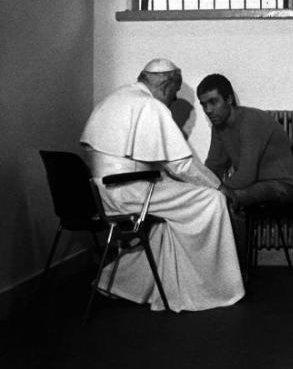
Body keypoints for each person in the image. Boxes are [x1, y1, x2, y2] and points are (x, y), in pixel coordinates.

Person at [80, 59, 245, 312]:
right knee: (211, 200)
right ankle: (214, 290)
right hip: (125, 190)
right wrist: (218, 186)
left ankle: (119, 282)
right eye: (176, 92)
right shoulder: (149, 105)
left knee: (174, 213)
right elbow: (180, 164)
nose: (173, 98)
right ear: (167, 85)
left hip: (106, 190)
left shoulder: (116, 98)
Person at [196, 74, 293, 266]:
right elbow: (213, 166)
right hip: (257, 184)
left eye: (213, 102)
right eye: (203, 104)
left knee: (231, 201)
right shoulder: (219, 127)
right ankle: (213, 269)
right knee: (208, 198)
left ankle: (237, 272)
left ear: (229, 99)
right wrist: (199, 186)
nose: (208, 110)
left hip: (281, 186)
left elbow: (246, 175)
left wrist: (217, 189)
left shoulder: (251, 120)